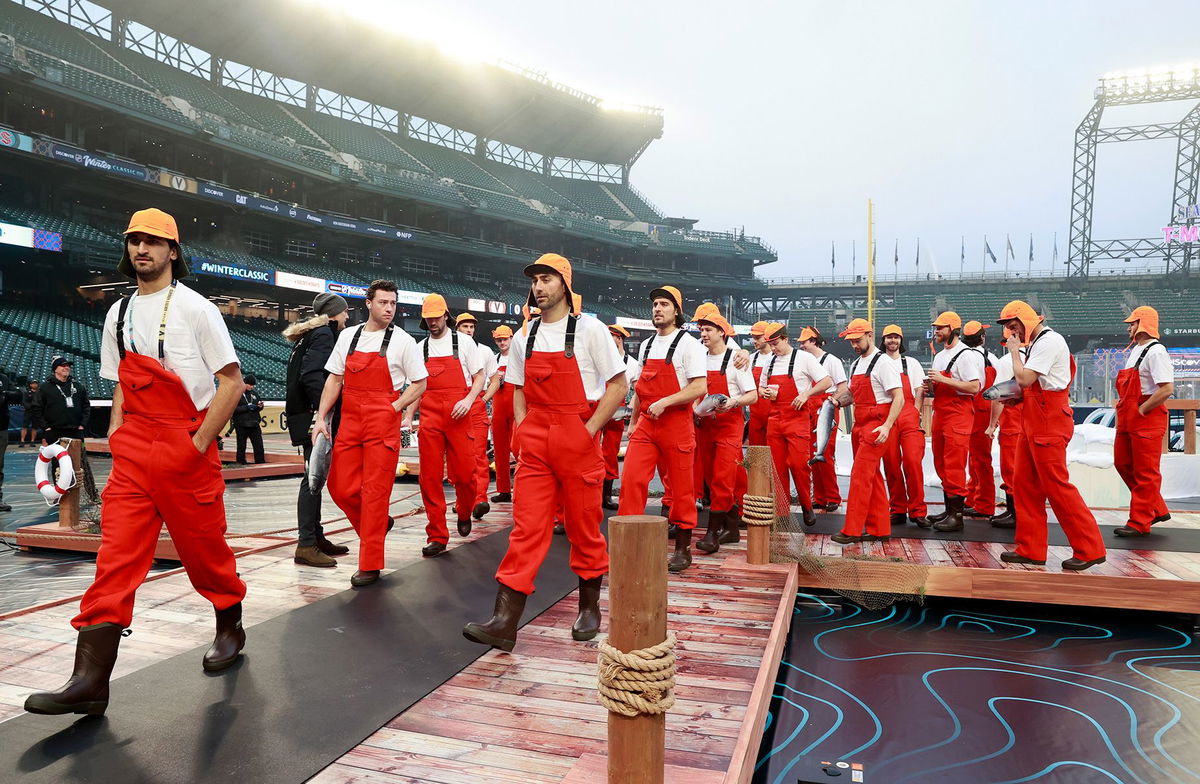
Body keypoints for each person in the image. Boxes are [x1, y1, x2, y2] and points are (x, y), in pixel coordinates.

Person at [25, 208, 248, 716]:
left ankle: (229, 623)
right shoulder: (117, 312)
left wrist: (194, 448)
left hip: (185, 445)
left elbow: (230, 383)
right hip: (135, 453)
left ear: (173, 251)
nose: (141, 250)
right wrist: (121, 434)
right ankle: (90, 681)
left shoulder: (196, 309)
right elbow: (122, 383)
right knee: (115, 560)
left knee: (204, 552)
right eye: (134, 241)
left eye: (152, 242)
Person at [463, 253, 626, 651]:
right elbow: (517, 388)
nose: (538, 286)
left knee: (583, 528)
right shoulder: (524, 336)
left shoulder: (590, 331)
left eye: (547, 279)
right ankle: (505, 620)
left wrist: (587, 431)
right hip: (536, 439)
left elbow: (618, 386)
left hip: (577, 436)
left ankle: (589, 607)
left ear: (565, 285)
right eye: (535, 279)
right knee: (526, 528)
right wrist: (523, 429)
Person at [315, 280, 427, 587]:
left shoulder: (403, 341)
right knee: (340, 488)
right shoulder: (348, 337)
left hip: (382, 420)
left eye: (393, 303)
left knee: (376, 494)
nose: (389, 309)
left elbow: (419, 383)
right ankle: (376, 526)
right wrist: (321, 416)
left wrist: (395, 408)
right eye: (383, 303)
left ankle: (370, 564)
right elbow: (335, 380)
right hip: (349, 420)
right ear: (368, 303)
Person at [997, 300, 1106, 571]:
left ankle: (1090, 548)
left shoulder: (1048, 341)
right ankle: (1031, 549)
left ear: (1026, 321)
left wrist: (1013, 353)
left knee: (1056, 486)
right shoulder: (1037, 343)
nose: (1011, 333)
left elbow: (1024, 379)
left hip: (1049, 421)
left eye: (1013, 326)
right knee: (1023, 484)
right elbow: (1029, 386)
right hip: (1035, 418)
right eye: (1009, 329)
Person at [618, 285, 707, 572]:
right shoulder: (645, 345)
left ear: (676, 311)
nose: (657, 309)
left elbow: (699, 387)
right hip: (647, 423)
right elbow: (640, 391)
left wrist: (665, 402)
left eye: (664, 304)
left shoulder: (689, 344)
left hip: (677, 423)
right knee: (631, 480)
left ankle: (683, 549)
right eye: (655, 304)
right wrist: (633, 423)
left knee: (682, 489)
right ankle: (628, 542)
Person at [283, 291, 352, 567]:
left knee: (316, 479)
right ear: (334, 313)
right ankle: (306, 544)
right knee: (312, 480)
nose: (347, 316)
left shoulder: (308, 336)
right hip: (313, 416)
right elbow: (311, 374)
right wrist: (323, 411)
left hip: (304, 414)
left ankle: (316, 537)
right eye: (345, 311)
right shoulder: (324, 334)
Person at [414, 294, 485, 557]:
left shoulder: (464, 342)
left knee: (466, 476)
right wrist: (409, 416)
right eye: (428, 318)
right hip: (430, 417)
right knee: (429, 478)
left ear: (446, 315)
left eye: (436, 317)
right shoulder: (419, 348)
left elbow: (480, 376)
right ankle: (437, 535)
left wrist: (468, 399)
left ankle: (465, 511)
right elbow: (416, 385)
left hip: (459, 415)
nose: (433, 322)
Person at [833, 319, 904, 544]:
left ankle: (852, 530)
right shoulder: (856, 364)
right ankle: (880, 528)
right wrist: (836, 402)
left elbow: (899, 397)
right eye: (851, 341)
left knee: (860, 476)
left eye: (857, 339)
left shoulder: (883, 362)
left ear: (870, 335)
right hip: (859, 422)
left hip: (876, 423)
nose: (854, 344)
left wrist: (887, 425)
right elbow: (852, 396)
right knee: (872, 476)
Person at [693, 309, 757, 553]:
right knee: (711, 478)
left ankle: (712, 535)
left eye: (708, 330)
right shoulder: (698, 356)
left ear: (722, 332)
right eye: (702, 330)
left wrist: (734, 402)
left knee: (722, 478)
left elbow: (753, 395)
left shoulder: (735, 360)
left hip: (729, 426)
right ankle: (731, 528)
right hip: (705, 426)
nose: (703, 334)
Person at [760, 323, 831, 525]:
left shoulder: (804, 359)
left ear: (785, 338)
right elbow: (761, 388)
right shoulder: (769, 362)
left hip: (797, 419)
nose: (773, 348)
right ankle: (781, 513)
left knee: (799, 465)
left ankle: (807, 506)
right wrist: (763, 393)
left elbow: (826, 381)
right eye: (770, 344)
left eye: (775, 343)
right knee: (777, 468)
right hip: (774, 419)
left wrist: (806, 394)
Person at [1113, 306, 1174, 537]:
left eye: (1132, 323)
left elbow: (1167, 389)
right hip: (1129, 417)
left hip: (1146, 418)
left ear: (1143, 324)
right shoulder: (1138, 350)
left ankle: (1139, 522)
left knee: (1146, 472)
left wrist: (1141, 409)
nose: (1129, 328)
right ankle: (1155, 509)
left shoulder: (1156, 352)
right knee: (1123, 463)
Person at [924, 312, 984, 533]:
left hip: (958, 414)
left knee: (954, 464)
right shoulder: (941, 355)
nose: (936, 331)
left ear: (952, 329)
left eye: (940, 328)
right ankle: (949, 509)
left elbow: (974, 387)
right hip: (941, 413)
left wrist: (942, 380)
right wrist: (930, 387)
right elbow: (944, 384)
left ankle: (957, 516)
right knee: (941, 462)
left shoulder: (965, 355)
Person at [879, 325, 928, 526]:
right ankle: (897, 509)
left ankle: (918, 511)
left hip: (908, 415)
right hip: (887, 415)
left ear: (901, 340)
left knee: (913, 461)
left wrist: (915, 412)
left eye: (896, 337)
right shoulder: (878, 362)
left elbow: (919, 389)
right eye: (889, 337)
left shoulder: (911, 363)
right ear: (883, 340)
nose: (893, 341)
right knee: (891, 464)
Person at [797, 327, 847, 511]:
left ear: (813, 341)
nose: (801, 345)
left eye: (804, 342)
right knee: (812, 454)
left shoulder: (831, 361)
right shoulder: (803, 361)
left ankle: (833, 497)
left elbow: (842, 386)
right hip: (808, 407)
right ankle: (819, 497)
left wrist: (833, 401)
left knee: (826, 452)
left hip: (825, 407)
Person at [455, 313, 498, 520]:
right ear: (457, 328)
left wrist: (483, 400)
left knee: (479, 455)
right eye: (465, 326)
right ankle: (462, 502)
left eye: (472, 326)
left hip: (476, 405)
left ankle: (480, 499)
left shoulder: (485, 351)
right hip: (455, 405)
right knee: (457, 458)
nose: (469, 330)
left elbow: (495, 380)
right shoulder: (449, 348)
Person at [985, 327, 1023, 529]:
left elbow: (998, 396)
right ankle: (1015, 511)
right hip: (1031, 420)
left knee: (1011, 468)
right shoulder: (1033, 356)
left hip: (1013, 422)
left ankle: (1014, 513)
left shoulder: (1007, 361)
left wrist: (992, 425)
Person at [961, 321, 999, 519]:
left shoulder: (965, 358)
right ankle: (976, 499)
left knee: (979, 458)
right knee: (977, 457)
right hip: (985, 409)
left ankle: (983, 503)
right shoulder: (991, 358)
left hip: (975, 409)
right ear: (982, 338)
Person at [600, 324, 639, 510]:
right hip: (597, 406)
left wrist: (631, 408)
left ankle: (606, 495)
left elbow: (638, 388)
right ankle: (592, 493)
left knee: (610, 453)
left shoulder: (631, 363)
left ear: (619, 338)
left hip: (618, 409)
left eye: (611, 336)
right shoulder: (599, 357)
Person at [487, 325, 515, 503]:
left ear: (511, 338)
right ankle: (503, 490)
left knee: (519, 449)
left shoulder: (518, 359)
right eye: (499, 339)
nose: (502, 342)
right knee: (499, 451)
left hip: (516, 408)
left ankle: (521, 488)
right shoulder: (493, 360)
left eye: (505, 339)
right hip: (498, 409)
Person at [33, 357, 91, 444]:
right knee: (56, 457)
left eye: (68, 366)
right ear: (55, 369)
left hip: (75, 430)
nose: (66, 367)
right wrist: (46, 427)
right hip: (54, 431)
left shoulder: (78, 386)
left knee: (76, 457)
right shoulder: (45, 387)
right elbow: (36, 408)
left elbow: (86, 405)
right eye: (63, 366)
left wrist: (82, 424)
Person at [746, 322, 773, 447]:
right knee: (756, 450)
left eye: (757, 338)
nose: (754, 341)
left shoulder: (777, 358)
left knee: (774, 449)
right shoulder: (751, 359)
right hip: (755, 414)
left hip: (774, 414)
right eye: (753, 337)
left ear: (767, 337)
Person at [232, 374, 266, 464]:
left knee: (259, 446)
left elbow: (258, 404)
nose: (251, 387)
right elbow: (234, 409)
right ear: (244, 383)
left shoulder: (254, 394)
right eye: (250, 384)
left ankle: (260, 463)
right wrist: (247, 407)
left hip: (254, 423)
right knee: (241, 446)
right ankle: (241, 463)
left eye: (253, 385)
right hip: (241, 424)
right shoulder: (237, 393)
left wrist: (260, 406)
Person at [0, 369, 19, 512]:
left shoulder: (3, 378)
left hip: (1, 426)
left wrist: (5, 394)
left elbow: (18, 395)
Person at [20, 379, 40, 446]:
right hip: (28, 412)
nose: (35, 384)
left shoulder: (39, 393)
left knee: (35, 427)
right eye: (33, 383)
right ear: (30, 385)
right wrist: (30, 406)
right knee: (24, 426)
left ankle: (32, 441)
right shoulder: (26, 392)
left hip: (36, 412)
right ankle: (22, 441)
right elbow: (24, 402)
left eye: (36, 383)